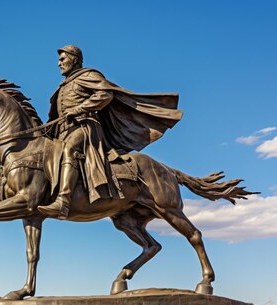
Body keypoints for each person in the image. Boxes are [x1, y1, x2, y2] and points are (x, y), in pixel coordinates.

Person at [38, 45, 183, 218]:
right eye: (59, 60)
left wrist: (79, 109)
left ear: (74, 59)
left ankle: (63, 201)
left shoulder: (89, 75)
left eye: (62, 59)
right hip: (64, 131)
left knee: (70, 149)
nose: (59, 63)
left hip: (86, 127)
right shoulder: (63, 86)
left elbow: (106, 94)